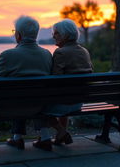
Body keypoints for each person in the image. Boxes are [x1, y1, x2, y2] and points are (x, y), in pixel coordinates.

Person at [0, 15, 53, 153]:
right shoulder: (47, 54)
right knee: (24, 94)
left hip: (6, 109)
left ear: (18, 35)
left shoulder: (8, 55)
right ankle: (17, 137)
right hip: (37, 107)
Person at [33, 19, 93, 149]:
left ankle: (61, 131)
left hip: (65, 103)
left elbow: (55, 81)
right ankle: (60, 136)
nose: (53, 36)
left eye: (56, 33)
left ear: (65, 35)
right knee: (64, 95)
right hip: (79, 102)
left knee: (37, 107)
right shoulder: (84, 51)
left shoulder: (61, 52)